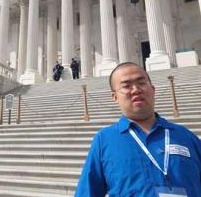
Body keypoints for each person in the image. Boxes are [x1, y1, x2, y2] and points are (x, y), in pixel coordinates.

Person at [75, 62, 201, 197]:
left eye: (141, 83)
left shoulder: (185, 136)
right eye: (126, 86)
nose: (135, 89)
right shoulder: (104, 140)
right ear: (114, 97)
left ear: (152, 90)